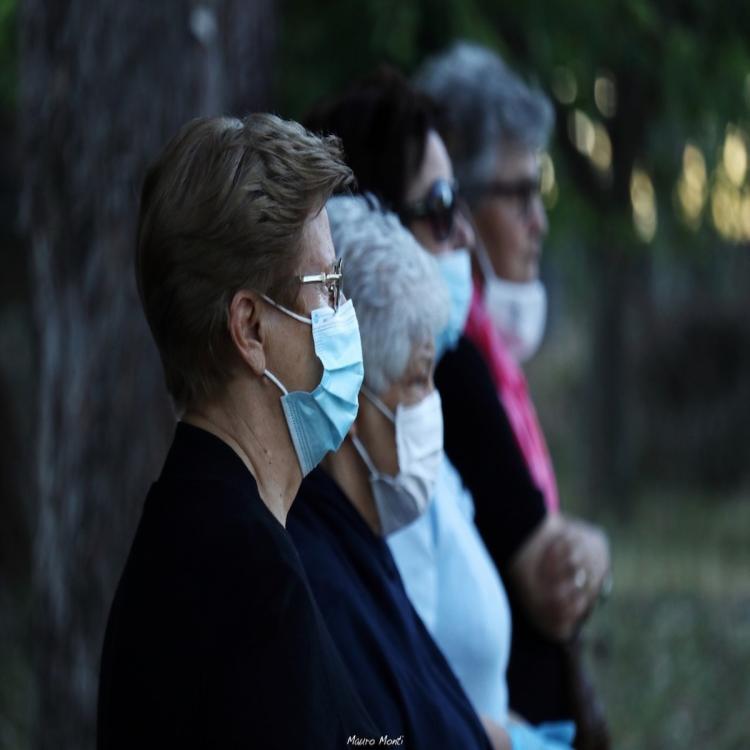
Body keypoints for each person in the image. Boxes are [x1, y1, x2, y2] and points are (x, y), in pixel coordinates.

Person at [305, 69, 575, 750]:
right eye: (441, 204)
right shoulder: (372, 465)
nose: (463, 239)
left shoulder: (421, 437)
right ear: (368, 227)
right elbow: (386, 719)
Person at [97, 114, 379, 749]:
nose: (344, 311)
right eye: (329, 285)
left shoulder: (200, 527)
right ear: (250, 329)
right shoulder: (249, 575)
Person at [415, 41, 611, 743]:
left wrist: (595, 553)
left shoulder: (490, 356)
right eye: (520, 193)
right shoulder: (451, 363)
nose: (540, 221)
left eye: (542, 192)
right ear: (455, 205)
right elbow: (554, 588)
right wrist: (592, 555)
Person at [287, 194, 496, 750]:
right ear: (353, 392)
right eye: (419, 378)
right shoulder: (320, 583)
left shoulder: (361, 542)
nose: (433, 403)